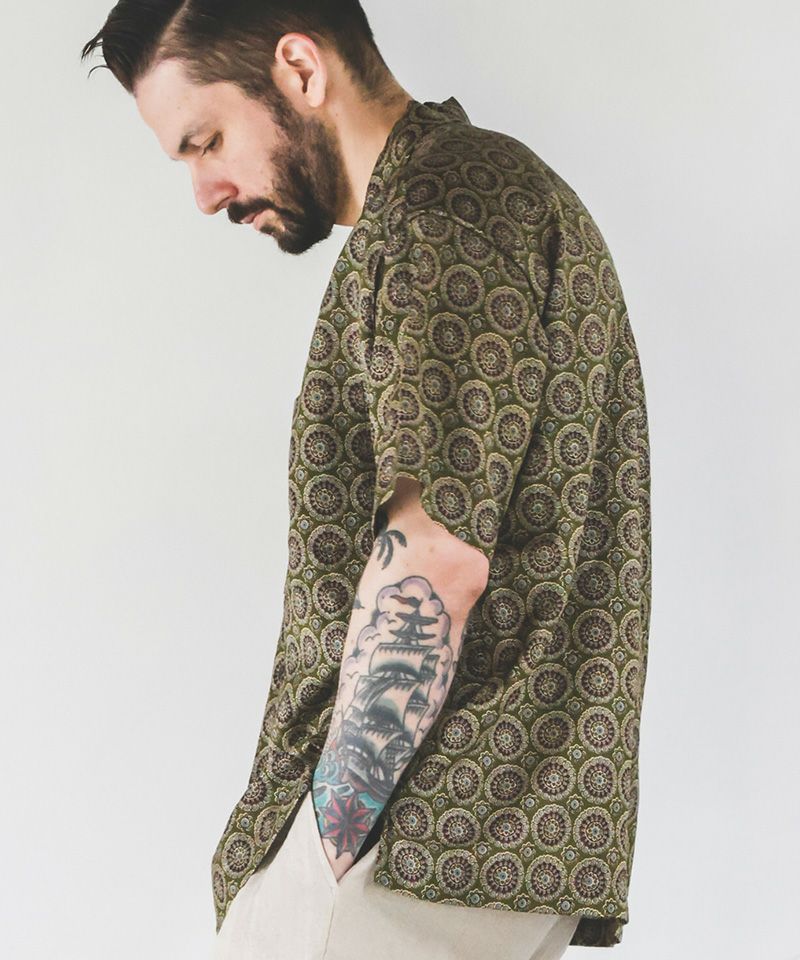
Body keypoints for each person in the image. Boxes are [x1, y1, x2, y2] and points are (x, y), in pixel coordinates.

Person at [81, 2, 652, 956]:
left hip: (404, 846)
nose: (206, 192)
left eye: (207, 140)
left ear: (300, 68)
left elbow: (434, 560)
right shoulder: (479, 203)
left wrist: (323, 856)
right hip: (483, 840)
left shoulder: (442, 213)